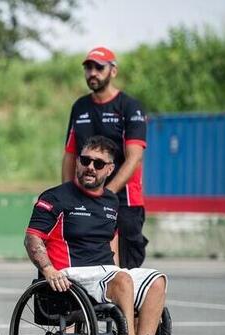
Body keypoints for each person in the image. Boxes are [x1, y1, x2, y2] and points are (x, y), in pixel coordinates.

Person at [25, 135, 174, 335]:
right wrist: (48, 270)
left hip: (105, 273)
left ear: (110, 169)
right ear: (78, 162)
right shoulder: (55, 198)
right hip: (70, 275)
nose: (90, 167)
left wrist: (118, 273)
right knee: (122, 281)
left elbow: (112, 244)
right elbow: (33, 238)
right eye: (85, 160)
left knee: (157, 280)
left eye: (98, 163)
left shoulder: (110, 201)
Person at [61, 46, 148, 270]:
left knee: (126, 269)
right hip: (85, 199)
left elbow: (134, 158)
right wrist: (67, 194)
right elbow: (70, 155)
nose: (93, 73)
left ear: (113, 71)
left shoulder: (130, 107)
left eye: (99, 67)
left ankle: (129, 305)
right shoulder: (80, 107)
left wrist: (106, 194)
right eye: (88, 67)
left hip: (124, 201)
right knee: (87, 264)